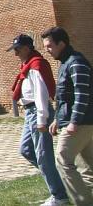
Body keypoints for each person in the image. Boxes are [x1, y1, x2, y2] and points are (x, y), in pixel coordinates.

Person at [8, 33, 68, 206]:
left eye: (18, 49)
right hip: (30, 113)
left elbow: (41, 95)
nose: (16, 53)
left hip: (37, 112)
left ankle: (59, 195)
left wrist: (42, 120)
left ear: (27, 48)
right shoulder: (27, 65)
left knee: (43, 155)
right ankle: (58, 182)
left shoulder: (36, 65)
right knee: (26, 149)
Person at [42, 26, 93, 205]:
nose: (47, 50)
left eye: (49, 46)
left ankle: (83, 202)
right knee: (87, 167)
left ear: (61, 43)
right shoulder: (66, 62)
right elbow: (64, 98)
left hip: (80, 123)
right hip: (76, 123)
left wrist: (74, 122)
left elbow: (82, 94)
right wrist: (57, 119)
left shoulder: (76, 62)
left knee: (62, 161)